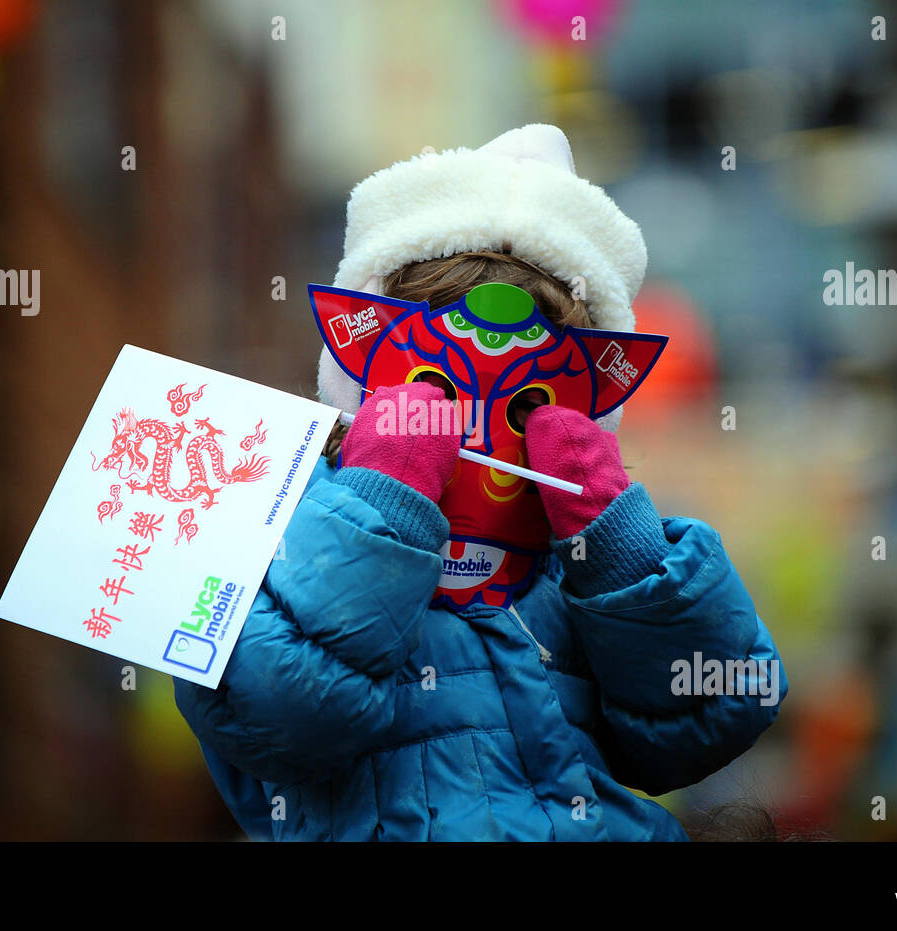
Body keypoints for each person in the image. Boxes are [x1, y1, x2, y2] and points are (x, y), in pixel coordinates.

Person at [174, 124, 787, 840]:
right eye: (433, 382)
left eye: (527, 403)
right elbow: (269, 711)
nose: (476, 431)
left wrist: (620, 549)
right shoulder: (274, 524)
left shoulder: (573, 575)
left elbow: (713, 715)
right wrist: (379, 505)